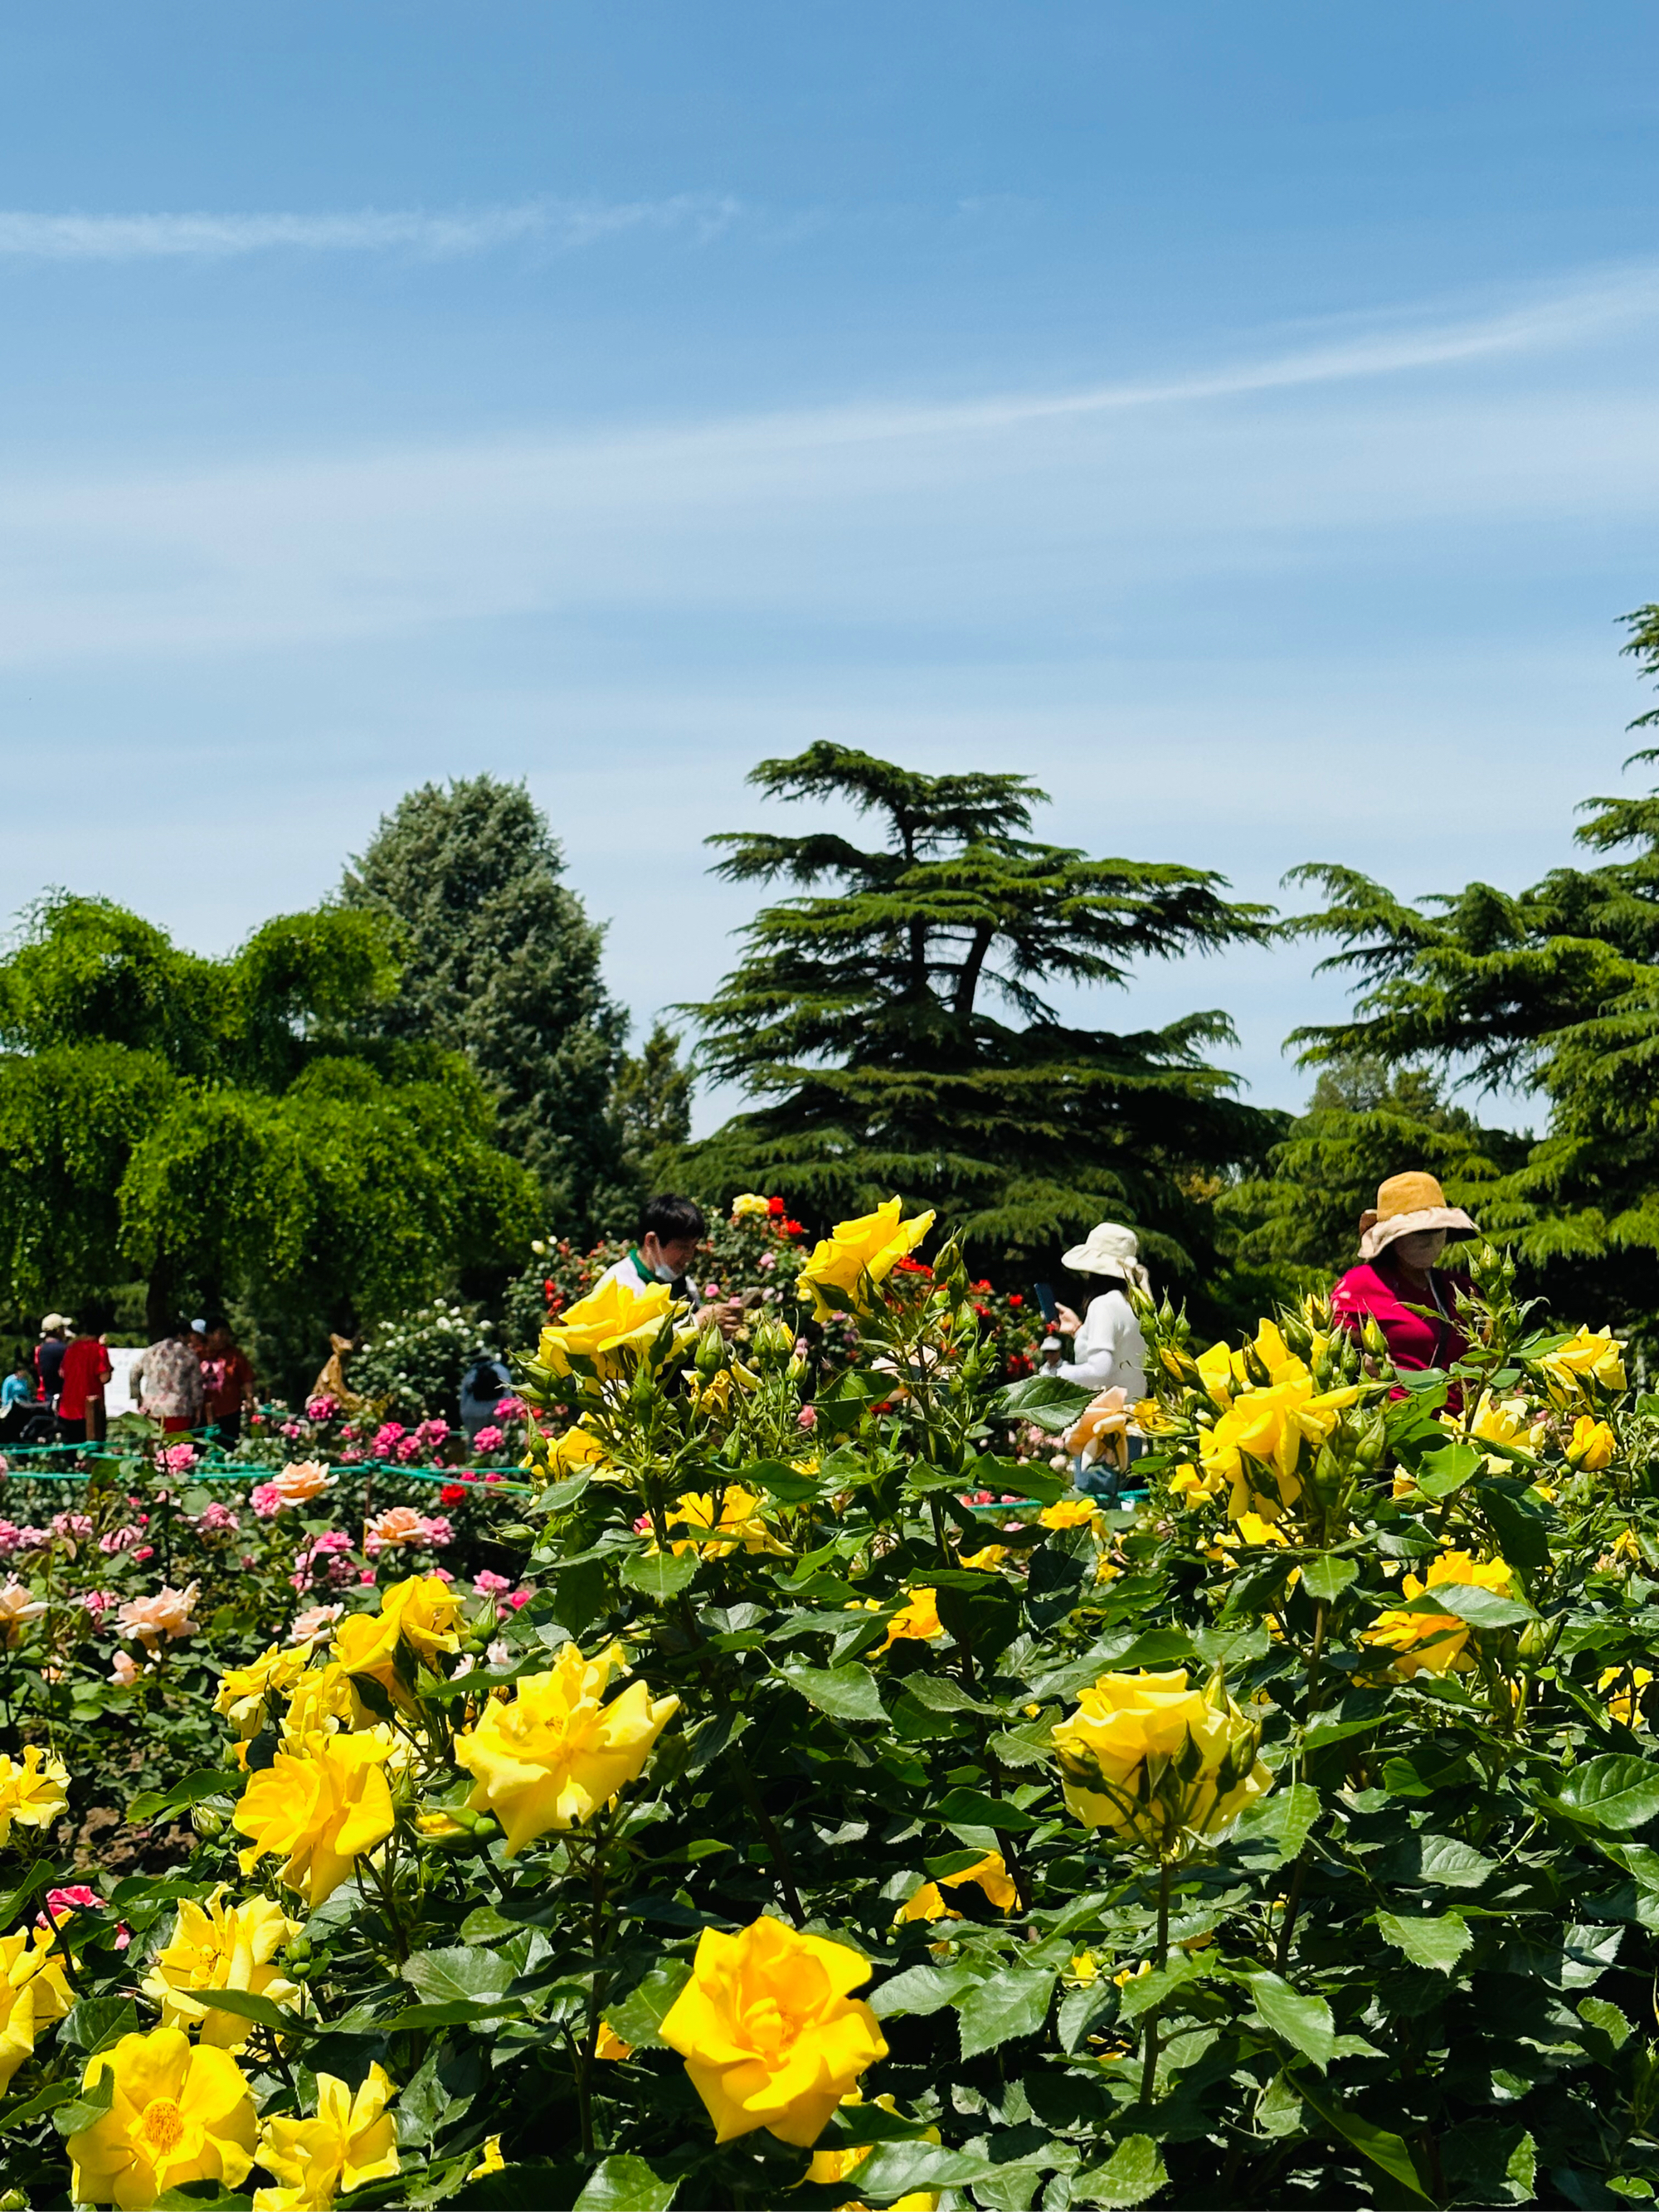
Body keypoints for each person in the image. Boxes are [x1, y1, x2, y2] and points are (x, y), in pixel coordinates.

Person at [1331, 1172, 1479, 1379]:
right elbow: (1331, 1352)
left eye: (1436, 1230)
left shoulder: (1461, 1289)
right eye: (1418, 1232)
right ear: (1392, 1238)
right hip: (1396, 1409)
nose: (1428, 1241)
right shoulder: (1359, 1285)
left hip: (1465, 1411)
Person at [596, 1195, 742, 1339]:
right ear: (651, 1241)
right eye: (683, 1247)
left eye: (694, 1246)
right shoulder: (617, 1285)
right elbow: (629, 1348)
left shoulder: (686, 1285)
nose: (689, 1256)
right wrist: (695, 1325)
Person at [1046, 1223, 1151, 1399]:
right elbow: (1120, 1355)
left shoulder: (1103, 1304)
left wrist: (1056, 1374)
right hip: (1137, 1414)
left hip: (1107, 1418)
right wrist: (1078, 1330)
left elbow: (1100, 1369)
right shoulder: (1135, 1305)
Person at [132, 1319, 207, 1434]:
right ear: (181, 1335)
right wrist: (197, 1408)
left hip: (152, 1408)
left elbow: (134, 1373)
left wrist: (138, 1398)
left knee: (156, 1448)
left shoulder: (151, 1351)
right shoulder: (188, 1355)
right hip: (179, 1409)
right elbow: (196, 1385)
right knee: (176, 1449)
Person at [56, 1304, 114, 1447]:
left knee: (70, 1452)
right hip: (90, 1411)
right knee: (93, 1454)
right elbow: (103, 1377)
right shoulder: (99, 1350)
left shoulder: (72, 1348)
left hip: (68, 1408)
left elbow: (62, 1373)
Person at [200, 1314, 256, 1446]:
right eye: (221, 1334)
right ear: (209, 1335)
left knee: (228, 1447)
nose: (225, 1338)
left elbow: (247, 1379)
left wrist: (250, 1400)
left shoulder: (235, 1355)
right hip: (201, 1413)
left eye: (227, 1334)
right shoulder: (198, 1354)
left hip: (229, 1411)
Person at [460, 1348, 513, 1443]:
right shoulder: (501, 1369)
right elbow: (509, 1391)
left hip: (475, 1415)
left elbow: (464, 1399)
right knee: (502, 1443)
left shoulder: (471, 1373)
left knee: (477, 1446)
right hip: (498, 1413)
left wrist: (466, 1420)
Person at [33, 1315, 68, 1409]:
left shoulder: (42, 1349)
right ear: (58, 1330)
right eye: (63, 1328)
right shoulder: (63, 1350)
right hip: (63, 1402)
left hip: (49, 1398)